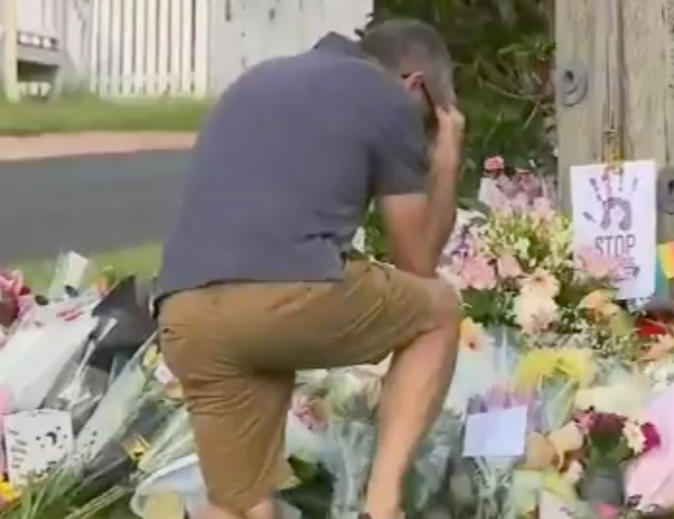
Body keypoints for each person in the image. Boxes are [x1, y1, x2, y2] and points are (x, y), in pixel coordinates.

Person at [154, 19, 463, 519]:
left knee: (242, 506)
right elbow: (418, 265)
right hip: (281, 299)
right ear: (417, 86)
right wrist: (446, 160)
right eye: (429, 120)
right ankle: (382, 506)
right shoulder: (388, 96)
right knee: (440, 311)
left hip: (184, 310)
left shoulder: (259, 79)